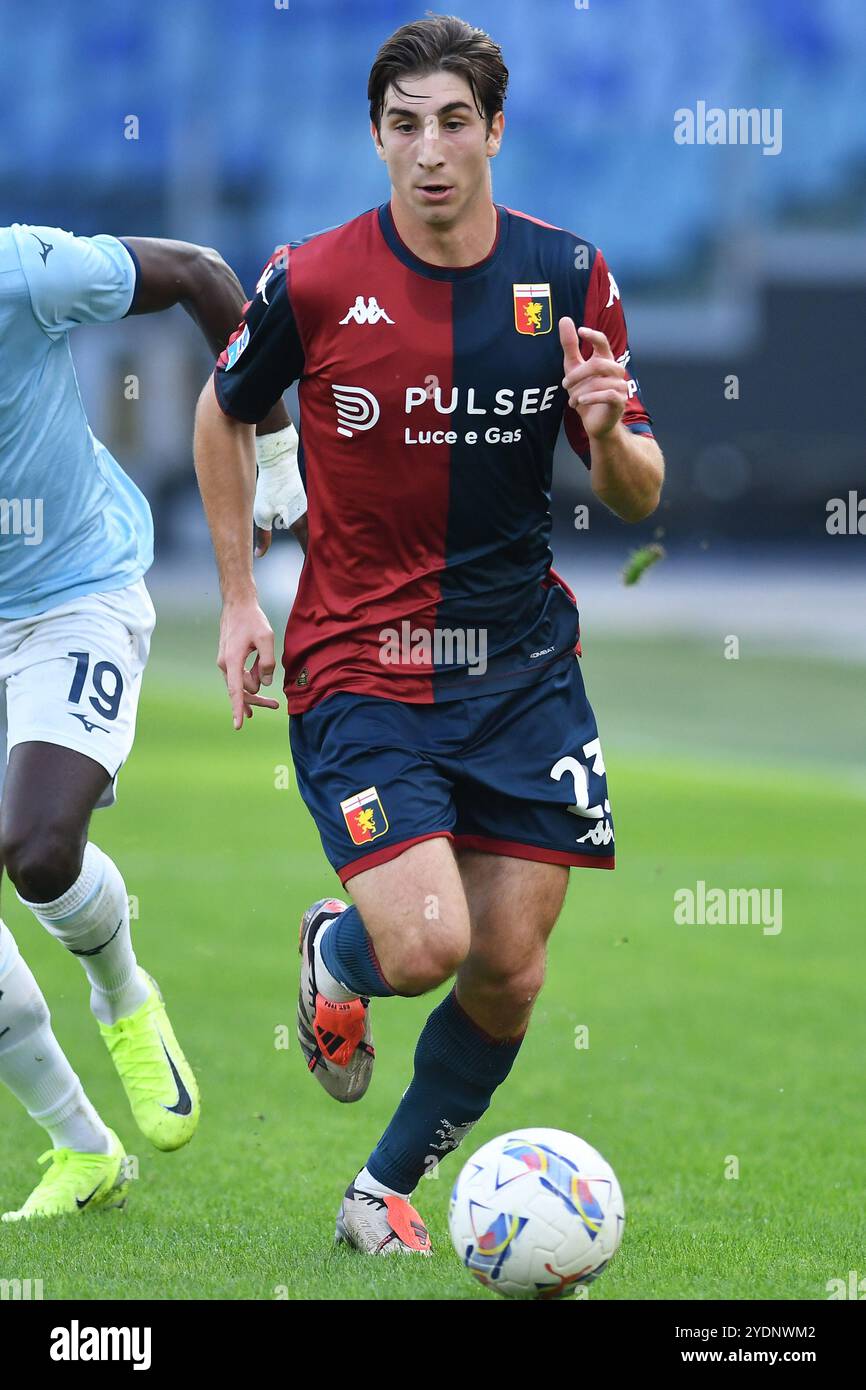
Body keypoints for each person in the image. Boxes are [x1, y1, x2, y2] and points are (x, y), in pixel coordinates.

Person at [194, 13, 663, 1257]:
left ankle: (378, 1192)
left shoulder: (566, 277)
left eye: (454, 122)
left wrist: (607, 432)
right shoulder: (315, 277)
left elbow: (639, 493)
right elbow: (219, 409)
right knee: (424, 944)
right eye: (405, 126)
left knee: (507, 967)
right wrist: (242, 597)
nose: (430, 151)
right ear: (375, 136)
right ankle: (338, 952)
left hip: (521, 674)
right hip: (361, 664)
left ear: (495, 129)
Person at [0, 222, 304, 1220]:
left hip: (69, 595)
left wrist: (272, 440)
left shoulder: (24, 269)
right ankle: (79, 1146)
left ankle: (123, 993)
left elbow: (201, 276)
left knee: (39, 849)